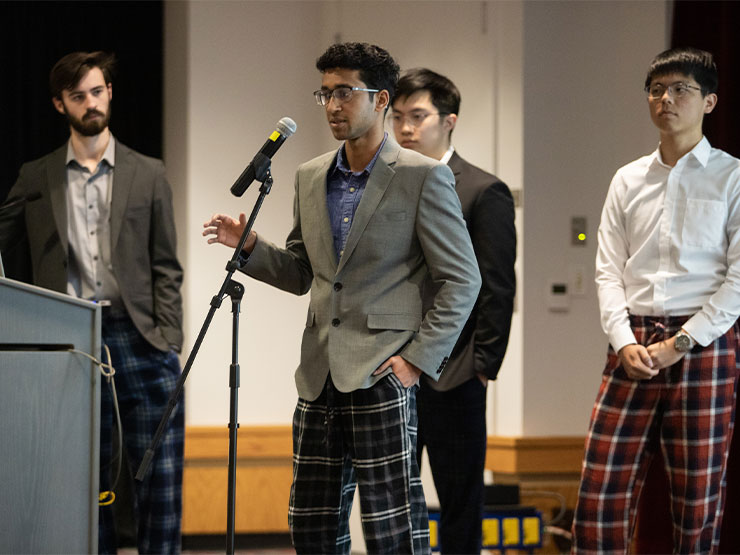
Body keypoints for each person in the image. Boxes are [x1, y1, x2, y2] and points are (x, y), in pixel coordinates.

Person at [203, 42, 480, 555]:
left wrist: (417, 360)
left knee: (392, 527)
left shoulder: (423, 175)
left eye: (345, 92)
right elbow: (302, 273)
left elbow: (462, 279)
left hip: (382, 371)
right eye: (325, 93)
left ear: (380, 100)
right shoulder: (310, 176)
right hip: (318, 373)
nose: (332, 105)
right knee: (310, 523)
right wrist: (250, 249)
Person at [0, 51, 184, 554]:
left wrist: (169, 338)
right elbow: (5, 245)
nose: (91, 102)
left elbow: (167, 264)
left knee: (161, 477)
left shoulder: (147, 173)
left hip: (142, 339)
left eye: (97, 91)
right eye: (78, 95)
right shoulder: (36, 177)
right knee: (81, 478)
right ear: (60, 105)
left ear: (110, 93)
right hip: (70, 341)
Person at [572, 47, 740, 553]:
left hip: (704, 342)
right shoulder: (628, 178)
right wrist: (624, 341)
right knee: (598, 495)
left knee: (696, 504)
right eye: (657, 90)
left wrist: (683, 342)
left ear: (709, 101)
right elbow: (606, 270)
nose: (666, 99)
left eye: (681, 89)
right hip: (632, 342)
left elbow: (738, 279)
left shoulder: (731, 176)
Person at [390, 68, 516, 554]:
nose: (405, 128)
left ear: (449, 120)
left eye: (417, 116)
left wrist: (482, 367)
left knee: (460, 503)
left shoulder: (483, 190)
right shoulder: (387, 184)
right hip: (392, 367)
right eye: (397, 117)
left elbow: (497, 287)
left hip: (456, 372)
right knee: (395, 501)